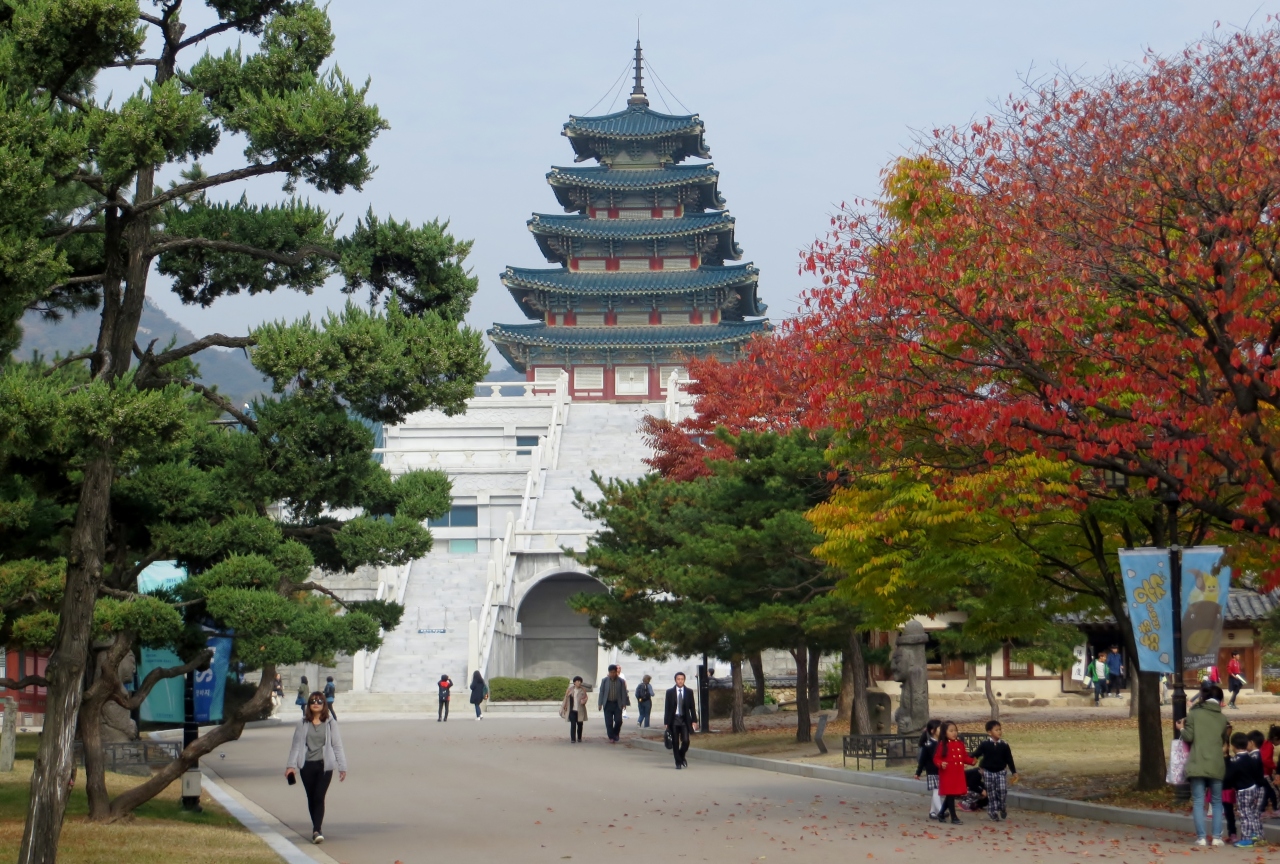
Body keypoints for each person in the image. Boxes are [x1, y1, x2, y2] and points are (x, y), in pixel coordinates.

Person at [285, 691, 347, 845]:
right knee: (312, 798)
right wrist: (291, 766)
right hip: (307, 766)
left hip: (324, 766)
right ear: (309, 705)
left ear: (324, 704)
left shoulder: (330, 723)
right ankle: (316, 828)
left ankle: (317, 830)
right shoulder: (303, 723)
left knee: (319, 797)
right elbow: (296, 747)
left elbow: (337, 745)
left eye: (319, 701)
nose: (316, 703)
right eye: (313, 701)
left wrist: (342, 766)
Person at [1178, 683, 1231, 847]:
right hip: (1216, 763)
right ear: (1220, 699)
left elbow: (1188, 736)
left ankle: (1201, 837)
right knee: (1216, 802)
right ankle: (1217, 837)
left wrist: (1180, 728)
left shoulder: (1194, 714)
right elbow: (1222, 739)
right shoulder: (1222, 719)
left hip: (1197, 762)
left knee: (1199, 802)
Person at [972, 720, 1018, 821]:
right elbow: (976, 754)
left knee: (1002, 790)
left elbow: (1009, 759)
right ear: (989, 732)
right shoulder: (985, 744)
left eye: (1000, 729)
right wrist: (967, 759)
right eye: (996, 730)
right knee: (991, 793)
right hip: (988, 772)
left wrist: (1014, 771)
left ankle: (1002, 806)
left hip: (1000, 771)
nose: (999, 732)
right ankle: (992, 812)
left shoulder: (1004, 745)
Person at [1231, 731, 1267, 847]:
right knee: (1253, 814)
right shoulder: (1252, 757)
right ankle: (1257, 835)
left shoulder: (1253, 757)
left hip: (1250, 788)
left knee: (1247, 814)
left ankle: (1248, 838)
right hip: (1255, 787)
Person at [933, 720, 973, 824]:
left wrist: (972, 761)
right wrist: (941, 764)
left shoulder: (960, 744)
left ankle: (941, 813)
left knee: (951, 795)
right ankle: (954, 817)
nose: (954, 733)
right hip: (947, 773)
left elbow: (964, 757)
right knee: (950, 794)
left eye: (955, 730)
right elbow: (936, 758)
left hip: (957, 773)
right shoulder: (942, 745)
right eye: (951, 731)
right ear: (944, 732)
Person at [664, 671, 698, 768]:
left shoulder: (689, 692)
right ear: (675, 680)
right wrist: (666, 722)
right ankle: (678, 762)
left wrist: (694, 721)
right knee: (675, 741)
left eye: (682, 679)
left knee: (686, 741)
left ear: (684, 680)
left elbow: (692, 707)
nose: (680, 681)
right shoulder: (670, 692)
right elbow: (667, 707)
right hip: (674, 719)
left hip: (684, 719)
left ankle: (681, 755)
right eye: (678, 679)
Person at [915, 719, 942, 820]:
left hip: (941, 770)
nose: (942, 730)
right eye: (939, 728)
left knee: (937, 791)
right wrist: (918, 772)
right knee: (936, 791)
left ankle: (932, 811)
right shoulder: (928, 745)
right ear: (932, 731)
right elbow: (922, 760)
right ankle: (941, 810)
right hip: (931, 771)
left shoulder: (942, 743)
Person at [597, 664, 630, 743]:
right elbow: (601, 692)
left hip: (617, 704)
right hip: (607, 704)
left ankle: (616, 733)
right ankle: (611, 736)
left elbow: (623, 692)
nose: (612, 674)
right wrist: (600, 703)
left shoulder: (621, 681)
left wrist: (624, 703)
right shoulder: (604, 681)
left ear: (616, 672)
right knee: (609, 722)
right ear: (609, 673)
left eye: (614, 672)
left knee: (618, 721)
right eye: (611, 672)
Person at [560, 675, 589, 742]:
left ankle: (579, 738)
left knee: (580, 724)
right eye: (577, 681)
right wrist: (563, 707)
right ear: (574, 682)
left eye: (580, 681)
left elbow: (586, 698)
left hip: (580, 710)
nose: (579, 682)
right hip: (572, 710)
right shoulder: (569, 690)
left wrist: (584, 701)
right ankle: (573, 739)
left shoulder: (583, 690)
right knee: (573, 724)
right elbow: (565, 699)